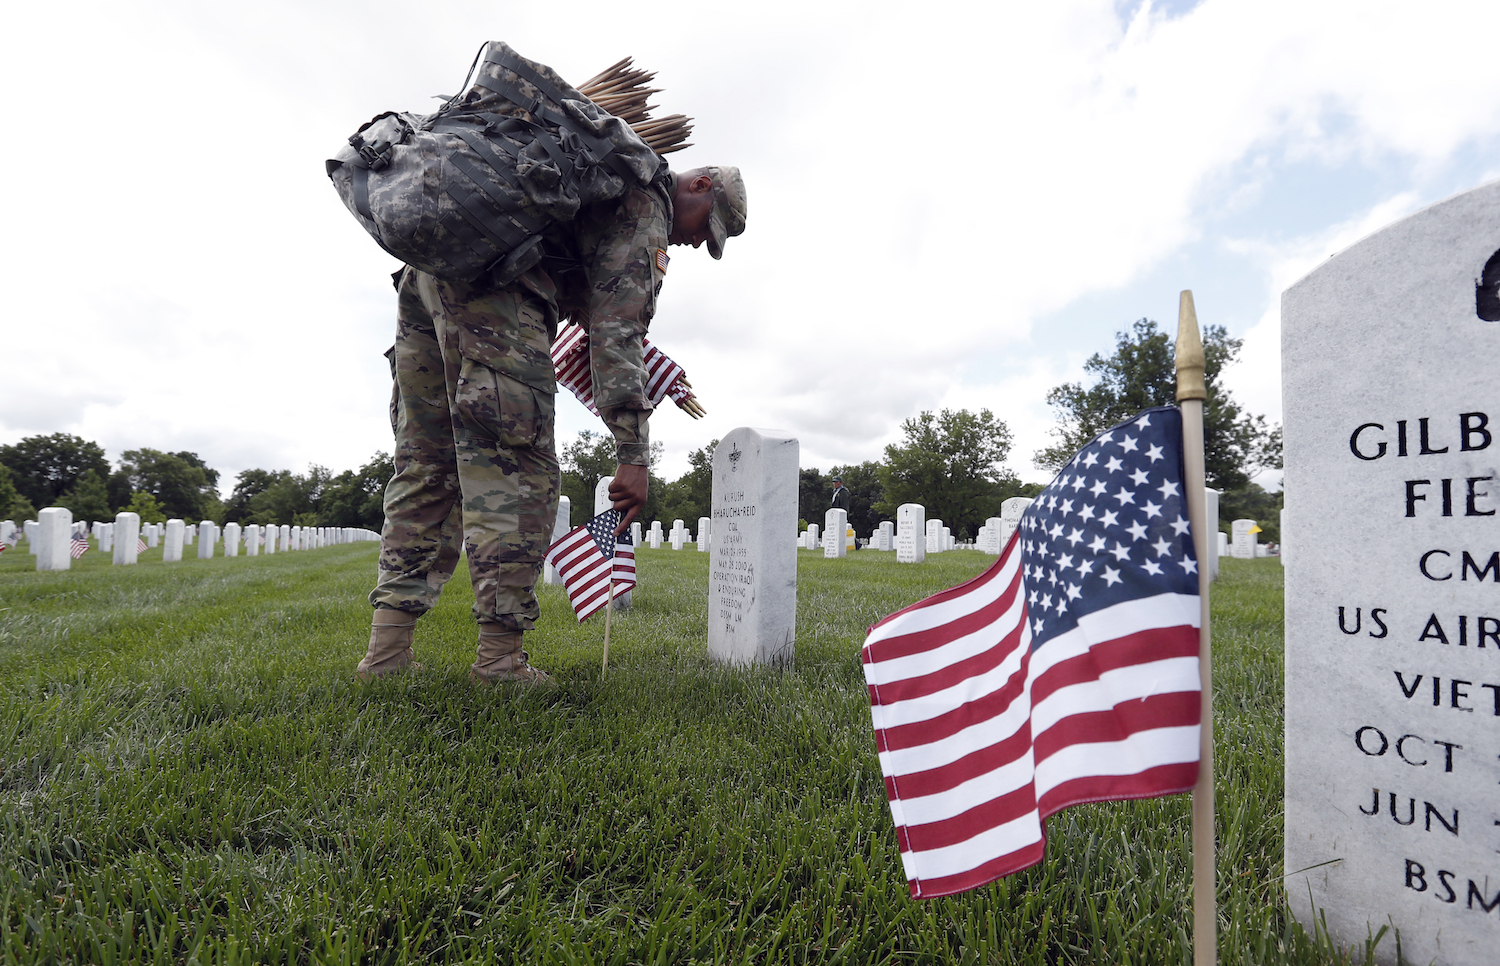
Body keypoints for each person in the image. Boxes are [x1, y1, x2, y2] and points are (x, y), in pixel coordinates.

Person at [356, 165, 747, 684]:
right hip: (499, 292)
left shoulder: (598, 181)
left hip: (428, 275)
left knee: (427, 468)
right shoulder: (646, 202)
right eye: (706, 227)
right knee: (519, 475)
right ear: (698, 185)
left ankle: (386, 656)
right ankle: (500, 662)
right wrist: (634, 455)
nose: (696, 242)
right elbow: (618, 331)